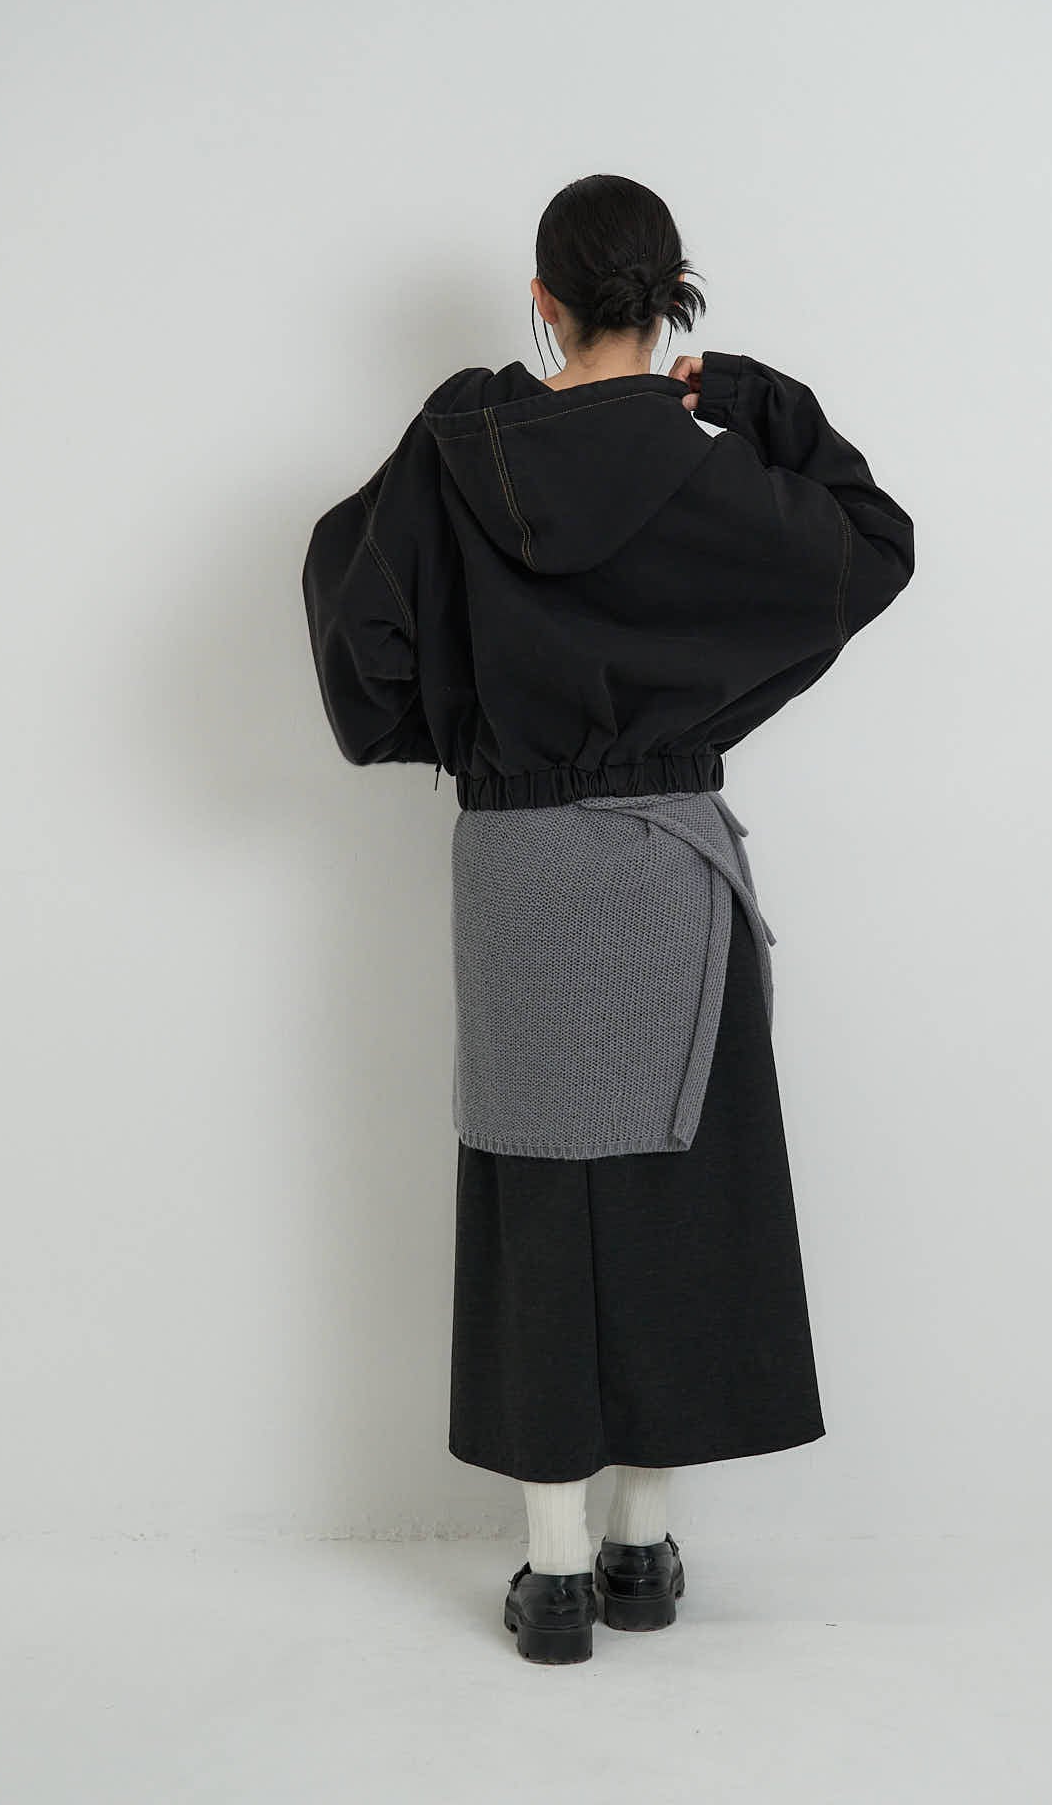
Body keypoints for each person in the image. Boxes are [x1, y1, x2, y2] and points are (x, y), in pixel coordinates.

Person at [301, 173, 916, 1664]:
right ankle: (644, 1550)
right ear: (671, 299)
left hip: (516, 864)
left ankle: (556, 1572)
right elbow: (871, 545)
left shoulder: (459, 447)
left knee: (541, 1202)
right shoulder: (710, 474)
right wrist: (755, 403)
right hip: (666, 860)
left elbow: (353, 615)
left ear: (544, 300)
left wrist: (453, 727)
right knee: (675, 1194)